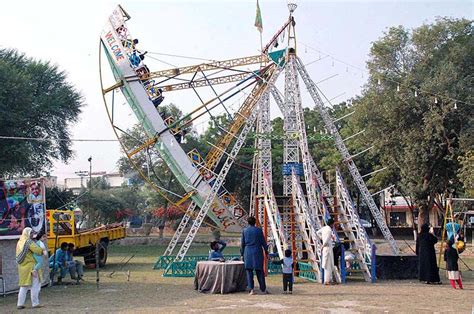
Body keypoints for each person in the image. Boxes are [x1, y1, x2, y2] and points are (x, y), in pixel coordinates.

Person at [16, 227, 44, 309]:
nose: (32, 235)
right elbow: (38, 251)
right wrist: (42, 249)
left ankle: (20, 304)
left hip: (21, 267)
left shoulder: (19, 242)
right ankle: (35, 303)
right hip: (31, 267)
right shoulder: (28, 242)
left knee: (23, 286)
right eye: (31, 233)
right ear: (28, 234)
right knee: (35, 285)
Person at [240, 216, 269, 295]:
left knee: (249, 271)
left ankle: (251, 289)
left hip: (248, 252)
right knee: (260, 271)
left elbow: (242, 244)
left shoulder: (244, 231)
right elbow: (263, 242)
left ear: (248, 222)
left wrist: (242, 254)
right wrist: (266, 252)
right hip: (257, 252)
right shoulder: (259, 231)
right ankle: (263, 290)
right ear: (255, 222)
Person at [317, 218, 336, 285]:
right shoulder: (329, 230)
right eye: (333, 224)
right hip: (327, 248)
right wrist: (323, 244)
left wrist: (322, 238)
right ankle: (327, 280)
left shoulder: (324, 228)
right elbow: (327, 239)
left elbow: (318, 233)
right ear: (331, 224)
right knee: (328, 265)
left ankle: (327, 280)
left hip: (326, 248)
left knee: (327, 264)